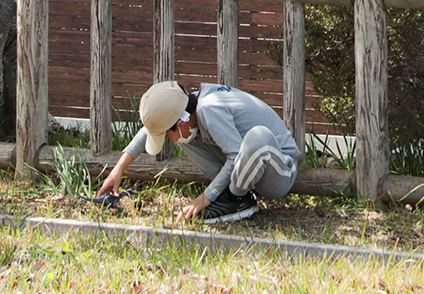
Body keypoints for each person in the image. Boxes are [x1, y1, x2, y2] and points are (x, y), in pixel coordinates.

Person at [97, 79, 300, 224]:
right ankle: (234, 195)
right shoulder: (188, 109)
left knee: (258, 137)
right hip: (246, 170)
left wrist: (203, 200)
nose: (167, 139)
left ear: (180, 122)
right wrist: (118, 169)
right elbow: (148, 131)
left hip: (279, 169)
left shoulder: (209, 109)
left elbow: (236, 155)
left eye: (166, 133)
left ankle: (235, 200)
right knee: (183, 139)